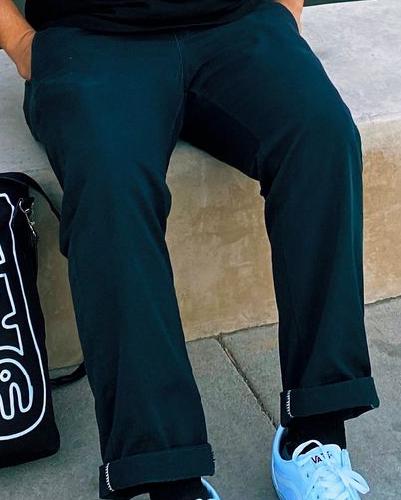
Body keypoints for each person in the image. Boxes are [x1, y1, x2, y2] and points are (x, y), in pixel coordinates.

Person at [0, 0, 380, 498]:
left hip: (237, 23)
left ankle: (315, 433)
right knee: (111, 189)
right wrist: (21, 42)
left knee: (322, 135)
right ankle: (167, 475)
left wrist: (284, 10)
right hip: (90, 41)